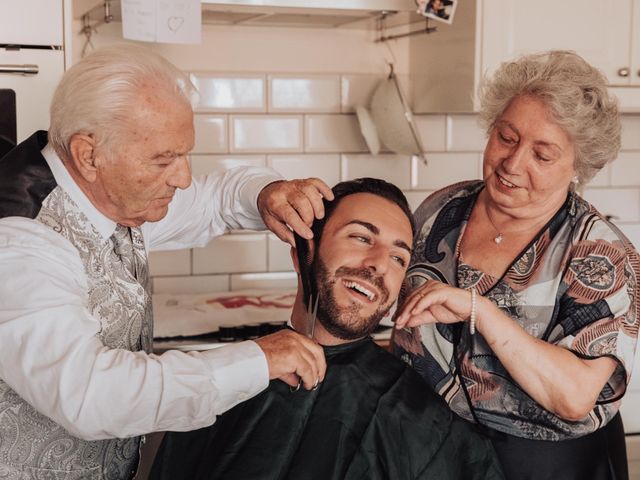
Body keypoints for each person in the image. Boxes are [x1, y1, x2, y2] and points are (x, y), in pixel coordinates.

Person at [0, 44, 331, 479]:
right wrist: (257, 360)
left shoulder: (107, 194)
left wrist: (267, 193)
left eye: (183, 153)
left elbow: (214, 199)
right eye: (164, 159)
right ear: (89, 154)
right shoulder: (20, 241)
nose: (182, 177)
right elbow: (90, 395)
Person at [150, 178, 505, 480]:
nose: (379, 264)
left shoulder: (417, 417)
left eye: (399, 257)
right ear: (303, 252)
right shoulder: (222, 379)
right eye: (361, 238)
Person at [393, 50, 639, 480]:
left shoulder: (598, 254)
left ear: (577, 167)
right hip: (429, 447)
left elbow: (575, 396)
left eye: (542, 155)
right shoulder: (442, 209)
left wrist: (481, 311)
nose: (512, 163)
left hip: (543, 464)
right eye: (507, 137)